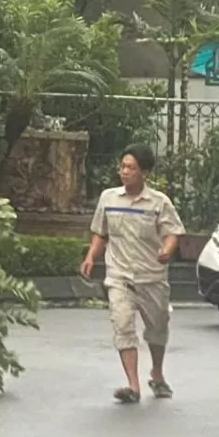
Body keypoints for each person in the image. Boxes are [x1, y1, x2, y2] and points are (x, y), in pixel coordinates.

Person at [80, 143, 184, 405]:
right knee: (122, 325)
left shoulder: (159, 203)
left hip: (152, 277)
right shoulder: (109, 199)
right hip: (119, 276)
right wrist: (91, 256)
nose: (125, 172)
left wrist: (167, 251)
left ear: (145, 172)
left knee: (157, 329)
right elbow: (100, 232)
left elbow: (172, 233)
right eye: (122, 166)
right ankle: (133, 385)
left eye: (131, 168)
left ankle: (157, 372)